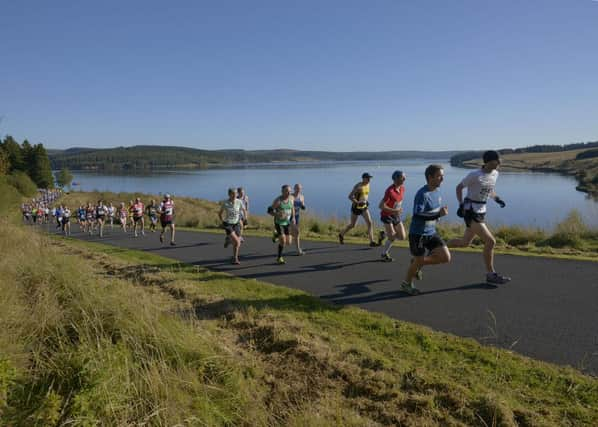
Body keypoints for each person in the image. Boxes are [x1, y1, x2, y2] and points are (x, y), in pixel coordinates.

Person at [448, 150, 511, 285]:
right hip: (471, 211)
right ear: (488, 161)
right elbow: (459, 188)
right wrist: (460, 204)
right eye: (497, 160)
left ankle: (439, 247)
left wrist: (497, 198)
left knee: (465, 243)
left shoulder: (495, 174)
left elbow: (489, 189)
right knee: (491, 242)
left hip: (482, 210)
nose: (500, 162)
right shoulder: (475, 175)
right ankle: (490, 274)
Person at [401, 164, 451, 295]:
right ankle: (406, 283)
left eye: (443, 176)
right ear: (430, 177)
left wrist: (437, 217)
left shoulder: (437, 192)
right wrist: (438, 215)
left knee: (445, 257)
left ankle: (417, 263)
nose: (442, 179)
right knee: (419, 261)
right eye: (439, 176)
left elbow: (433, 213)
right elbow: (417, 214)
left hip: (431, 232)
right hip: (418, 234)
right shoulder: (422, 194)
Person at [339, 172, 380, 247]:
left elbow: (365, 195)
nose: (369, 180)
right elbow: (350, 196)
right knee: (352, 225)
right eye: (367, 178)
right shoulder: (358, 186)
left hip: (364, 207)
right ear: (363, 178)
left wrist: (366, 202)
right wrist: (358, 203)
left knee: (370, 223)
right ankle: (341, 234)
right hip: (356, 207)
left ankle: (371, 241)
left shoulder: (368, 185)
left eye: (370, 178)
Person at [378, 170, 407, 262]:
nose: (405, 178)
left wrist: (397, 210)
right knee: (392, 237)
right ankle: (384, 254)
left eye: (404, 177)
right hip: (387, 215)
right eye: (403, 177)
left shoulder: (402, 188)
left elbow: (397, 202)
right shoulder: (389, 191)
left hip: (395, 216)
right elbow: (381, 206)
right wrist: (395, 210)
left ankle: (384, 234)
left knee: (402, 237)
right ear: (396, 178)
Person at [268, 185, 296, 264]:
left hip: (287, 222)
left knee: (289, 242)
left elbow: (292, 208)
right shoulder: (278, 200)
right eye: (286, 191)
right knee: (283, 241)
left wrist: (293, 218)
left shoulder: (291, 198)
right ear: (282, 192)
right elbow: (269, 210)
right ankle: (279, 257)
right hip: (279, 222)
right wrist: (277, 215)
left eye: (290, 191)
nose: (289, 192)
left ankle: (276, 235)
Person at [219, 188, 248, 265]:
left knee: (236, 243)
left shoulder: (239, 202)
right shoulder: (225, 203)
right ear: (229, 194)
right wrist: (222, 221)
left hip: (237, 223)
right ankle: (235, 258)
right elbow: (220, 213)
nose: (235, 195)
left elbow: (244, 210)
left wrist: (245, 219)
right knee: (237, 242)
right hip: (228, 224)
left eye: (236, 193)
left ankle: (229, 241)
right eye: (233, 193)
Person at [292, 183, 306, 255]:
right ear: (294, 189)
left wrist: (303, 206)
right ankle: (298, 250)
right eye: (297, 188)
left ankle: (298, 250)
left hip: (297, 216)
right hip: (289, 216)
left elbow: (303, 206)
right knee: (296, 232)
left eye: (299, 188)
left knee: (296, 233)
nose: (298, 190)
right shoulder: (290, 196)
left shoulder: (302, 197)